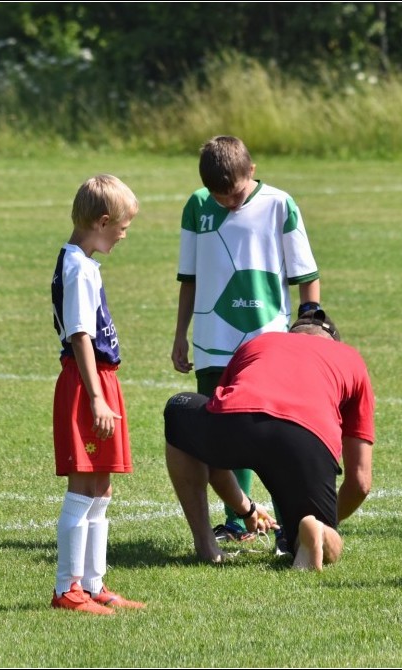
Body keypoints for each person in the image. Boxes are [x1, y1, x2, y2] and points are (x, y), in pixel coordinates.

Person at [171, 135, 322, 547]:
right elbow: (189, 278)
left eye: (235, 194)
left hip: (267, 340)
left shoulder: (279, 205)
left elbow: (306, 276)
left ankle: (289, 524)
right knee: (216, 434)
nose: (229, 203)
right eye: (220, 197)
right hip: (211, 340)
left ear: (251, 172)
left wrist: (310, 331)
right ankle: (236, 521)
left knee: (271, 436)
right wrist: (180, 334)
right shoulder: (197, 206)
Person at [163, 310, 374, 570]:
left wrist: (246, 510)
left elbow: (213, 458)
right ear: (332, 341)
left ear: (292, 334)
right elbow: (360, 483)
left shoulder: (261, 342)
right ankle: (313, 531)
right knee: (325, 538)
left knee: (178, 413)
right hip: (307, 438)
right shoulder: (350, 358)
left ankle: (206, 545)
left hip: (238, 420)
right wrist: (330, 519)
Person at [50, 174, 146, 614]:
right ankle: (66, 589)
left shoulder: (85, 264)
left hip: (101, 381)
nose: (125, 235)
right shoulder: (77, 268)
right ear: (103, 222)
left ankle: (94, 584)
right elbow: (80, 336)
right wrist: (95, 397)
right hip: (87, 384)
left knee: (102, 486)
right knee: (84, 485)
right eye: (123, 227)